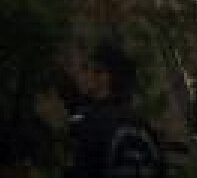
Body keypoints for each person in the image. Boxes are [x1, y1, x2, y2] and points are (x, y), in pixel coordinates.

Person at [67, 41, 167, 178]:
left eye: (86, 69)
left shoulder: (92, 124)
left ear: (103, 76)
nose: (81, 76)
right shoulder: (141, 123)